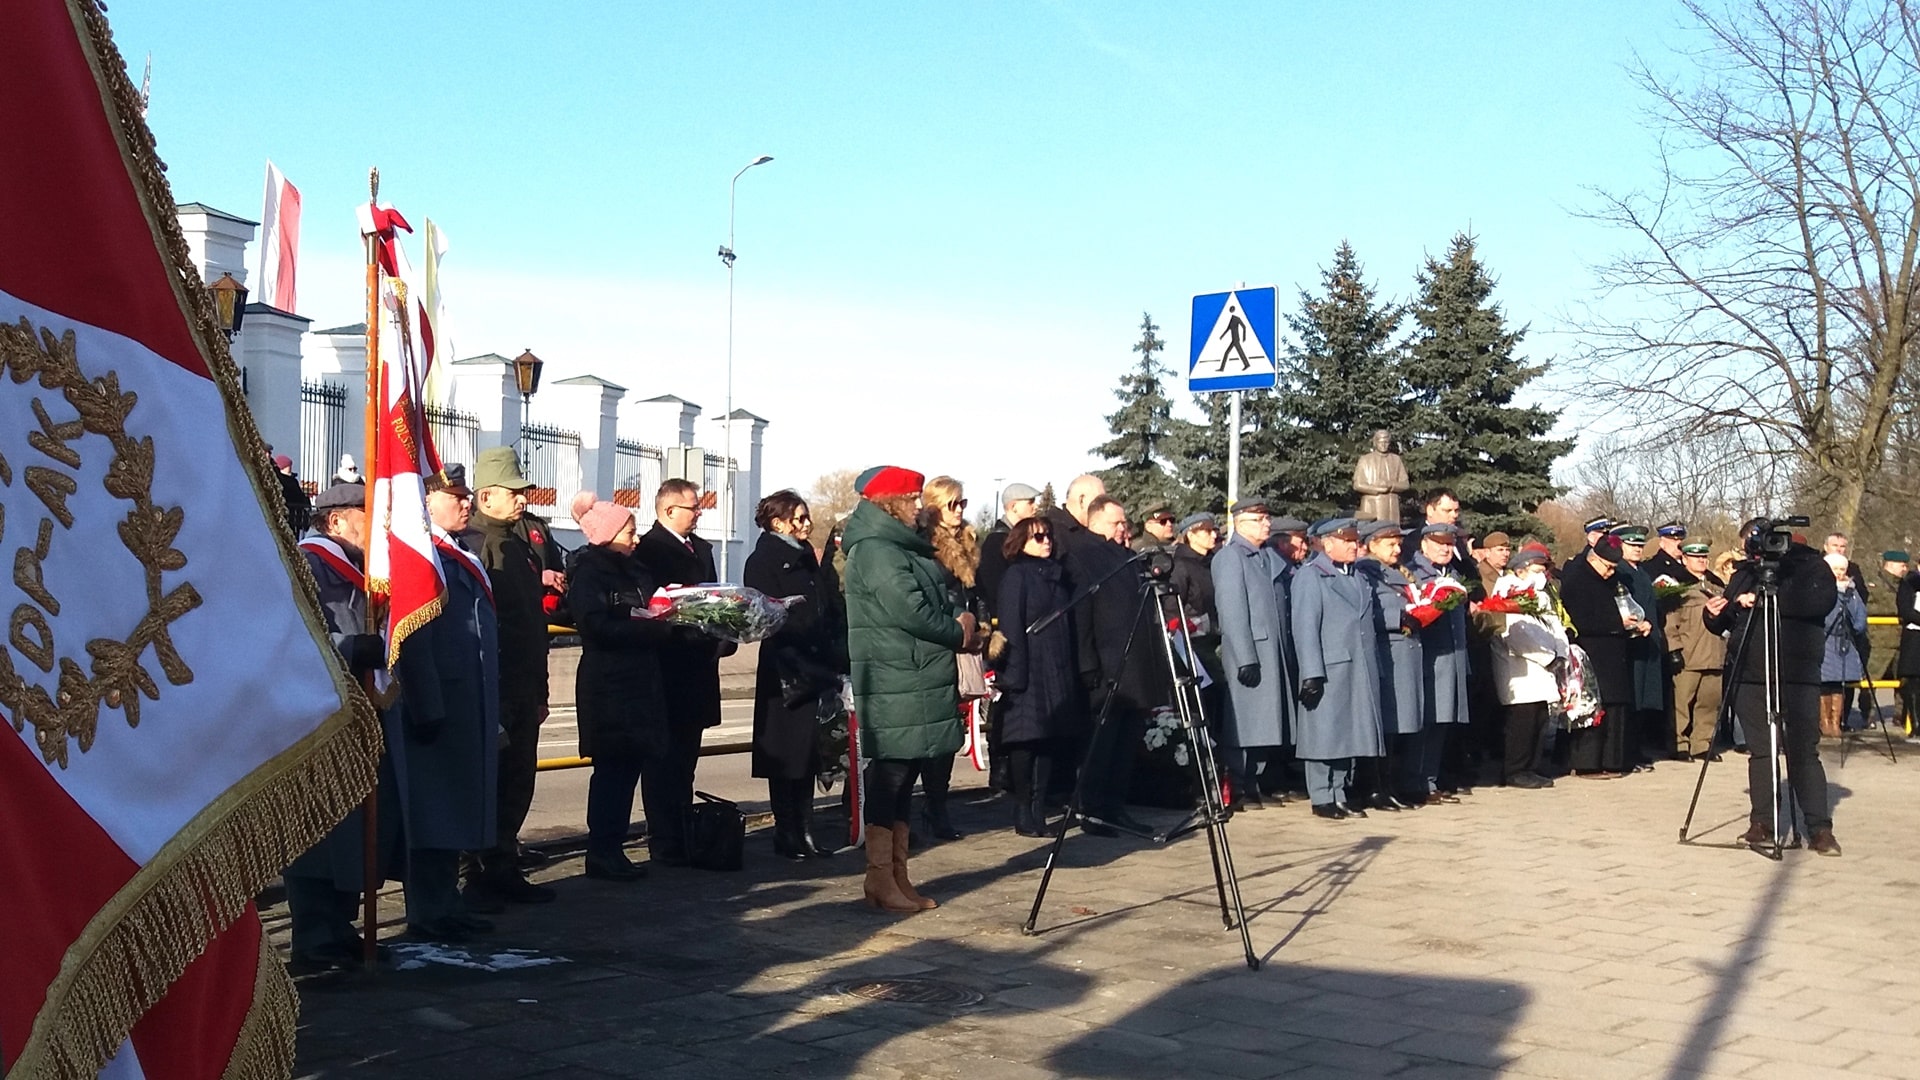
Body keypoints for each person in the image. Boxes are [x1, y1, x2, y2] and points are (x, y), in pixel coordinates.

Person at [844, 465, 976, 911]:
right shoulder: (878, 550)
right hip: (896, 675)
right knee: (892, 775)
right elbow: (911, 611)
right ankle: (881, 878)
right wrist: (958, 631)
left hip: (911, 675)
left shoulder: (897, 545)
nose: (921, 506)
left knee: (904, 777)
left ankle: (896, 876)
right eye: (913, 498)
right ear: (891, 503)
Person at [284, 481, 399, 969]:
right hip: (314, 716)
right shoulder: (306, 564)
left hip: (354, 715)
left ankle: (339, 923)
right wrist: (351, 649)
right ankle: (314, 933)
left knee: (350, 829)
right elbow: (289, 632)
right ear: (336, 520)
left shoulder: (360, 570)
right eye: (367, 516)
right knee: (316, 830)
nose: (379, 529)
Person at [401, 465, 502, 940]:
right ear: (425, 501)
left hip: (469, 696)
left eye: (466, 496)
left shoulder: (460, 550)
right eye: (455, 496)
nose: (466, 503)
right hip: (441, 695)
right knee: (434, 806)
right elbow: (416, 633)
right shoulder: (422, 554)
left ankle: (447, 902)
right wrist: (427, 700)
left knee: (457, 802)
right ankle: (430, 909)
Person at [1705, 521, 1842, 854]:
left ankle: (1819, 828)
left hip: (1795, 674)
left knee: (1802, 751)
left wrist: (1768, 598)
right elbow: (1725, 620)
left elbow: (1817, 604)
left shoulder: (1811, 567)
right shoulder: (1747, 571)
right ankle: (1762, 822)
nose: (1756, 549)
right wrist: (1717, 613)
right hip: (1750, 673)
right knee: (1760, 752)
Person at [460, 447, 556, 906]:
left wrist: (539, 687)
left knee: (518, 778)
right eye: (511, 493)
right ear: (485, 496)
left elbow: (530, 623)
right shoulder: (476, 544)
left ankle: (501, 863)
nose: (521, 500)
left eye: (522, 492)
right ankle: (477, 869)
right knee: (488, 781)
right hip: (495, 684)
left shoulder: (516, 544)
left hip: (521, 682)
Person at [566, 501, 675, 881]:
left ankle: (611, 849)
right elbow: (594, 625)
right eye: (629, 531)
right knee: (612, 769)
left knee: (628, 768)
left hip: (637, 680)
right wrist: (649, 628)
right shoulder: (591, 573)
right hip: (609, 684)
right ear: (607, 536)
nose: (636, 537)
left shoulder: (632, 569)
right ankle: (602, 852)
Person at [632, 477, 730, 867]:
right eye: (693, 506)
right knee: (662, 759)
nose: (699, 512)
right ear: (669, 510)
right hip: (667, 668)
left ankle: (683, 831)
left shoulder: (700, 549)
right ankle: (663, 836)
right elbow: (654, 606)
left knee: (686, 758)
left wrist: (725, 631)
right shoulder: (650, 549)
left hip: (698, 667)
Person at [744, 490, 844, 859]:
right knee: (786, 756)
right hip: (786, 669)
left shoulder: (804, 556)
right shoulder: (765, 558)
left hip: (814, 664)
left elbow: (823, 605)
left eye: (807, 518)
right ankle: (787, 832)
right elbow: (763, 614)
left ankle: (805, 830)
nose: (806, 525)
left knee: (808, 755)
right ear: (778, 522)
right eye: (798, 519)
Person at [1073, 492, 1169, 834]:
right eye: (1116, 523)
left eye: (1124, 523)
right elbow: (1083, 616)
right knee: (1102, 743)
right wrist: (1087, 665)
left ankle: (1115, 806)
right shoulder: (1083, 557)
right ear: (1095, 521)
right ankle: (1094, 810)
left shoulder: (1126, 557)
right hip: (1105, 667)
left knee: (1125, 743)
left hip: (1133, 666)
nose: (1122, 529)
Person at [1290, 518, 1385, 819]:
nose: (1354, 546)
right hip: (1329, 666)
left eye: (1355, 541)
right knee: (1324, 732)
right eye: (1346, 541)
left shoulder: (1357, 577)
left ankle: (1340, 792)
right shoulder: (1311, 576)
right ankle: (1322, 796)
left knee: (1349, 733)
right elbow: (1305, 627)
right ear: (1328, 543)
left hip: (1358, 666)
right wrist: (1311, 672)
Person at [994, 516, 1083, 836]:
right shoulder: (1016, 576)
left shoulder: (1059, 577)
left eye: (1049, 536)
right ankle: (1021, 806)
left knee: (1048, 740)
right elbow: (1011, 626)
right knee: (1024, 739)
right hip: (1028, 664)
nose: (1046, 541)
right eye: (1038, 537)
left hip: (1056, 665)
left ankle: (1039, 805)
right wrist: (1014, 672)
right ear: (1021, 542)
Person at [915, 475, 983, 841]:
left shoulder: (969, 540)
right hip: (940, 638)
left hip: (965, 640)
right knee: (929, 727)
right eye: (952, 504)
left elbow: (975, 592)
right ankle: (922, 807)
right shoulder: (925, 543)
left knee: (950, 729)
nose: (959, 511)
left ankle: (937, 805)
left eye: (963, 503)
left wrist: (984, 628)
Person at [1213, 501, 1293, 810]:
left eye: (1267, 518)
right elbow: (1232, 611)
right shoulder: (1231, 557)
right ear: (1240, 522)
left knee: (1265, 721)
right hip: (1249, 650)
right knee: (1244, 722)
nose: (1267, 524)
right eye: (1259, 519)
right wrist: (1245, 656)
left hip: (1270, 648)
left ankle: (1254, 781)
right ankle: (1240, 782)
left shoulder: (1265, 557)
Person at [1558, 535, 1643, 777]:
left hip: (1615, 652)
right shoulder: (1577, 580)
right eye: (1607, 567)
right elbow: (1581, 618)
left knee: (1616, 706)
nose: (1610, 573)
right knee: (1593, 707)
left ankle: (1614, 759)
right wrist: (1618, 622)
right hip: (1591, 651)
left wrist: (1636, 623)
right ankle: (1587, 762)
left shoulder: (1613, 580)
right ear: (1594, 559)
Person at [1486, 546, 1566, 789]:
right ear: (1521, 571)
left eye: (1544, 570)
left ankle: (1532, 764)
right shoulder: (1510, 591)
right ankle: (1516, 769)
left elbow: (1554, 627)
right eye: (1536, 569)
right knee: (1523, 721)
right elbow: (1517, 633)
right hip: (1522, 666)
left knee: (1540, 718)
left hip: (1542, 666)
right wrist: (1547, 657)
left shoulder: (1539, 594)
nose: (1542, 574)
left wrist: (1561, 652)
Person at [1356, 520, 1421, 809]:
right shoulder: (1367, 573)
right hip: (1386, 654)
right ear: (1371, 545)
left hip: (1405, 655)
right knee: (1383, 724)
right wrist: (1399, 620)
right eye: (1390, 544)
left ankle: (1390, 784)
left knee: (1397, 726)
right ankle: (1373, 787)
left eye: (1398, 543)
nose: (1397, 548)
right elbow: (1365, 613)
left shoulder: (1399, 573)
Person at [1407, 523, 1472, 801]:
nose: (1446, 548)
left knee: (1443, 722)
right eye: (1440, 543)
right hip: (1430, 658)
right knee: (1427, 722)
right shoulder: (1414, 574)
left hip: (1453, 657)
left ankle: (1431, 779)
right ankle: (1416, 781)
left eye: (1450, 544)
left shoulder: (1452, 573)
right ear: (1424, 545)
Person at [1612, 525, 1668, 770]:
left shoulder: (1642, 572)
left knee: (1644, 700)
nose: (1636, 549)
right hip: (1632, 643)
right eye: (1631, 545)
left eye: (1639, 546)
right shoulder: (1621, 572)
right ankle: (1628, 753)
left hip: (1648, 642)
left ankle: (1637, 750)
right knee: (1633, 699)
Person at [1667, 542, 1727, 761]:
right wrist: (1673, 649)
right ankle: (1679, 743)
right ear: (1684, 559)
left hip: (1714, 652)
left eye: (1704, 557)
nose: (1701, 560)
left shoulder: (1716, 586)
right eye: (1695, 557)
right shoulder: (1677, 587)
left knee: (1710, 702)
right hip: (1688, 654)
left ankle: (1702, 743)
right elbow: (1670, 622)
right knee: (1681, 702)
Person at [1818, 550, 1869, 738]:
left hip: (1844, 642)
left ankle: (1836, 721)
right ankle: (1824, 722)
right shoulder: (1820, 589)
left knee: (1840, 684)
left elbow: (1860, 620)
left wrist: (1849, 597)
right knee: (1824, 684)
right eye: (1835, 568)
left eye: (1842, 569)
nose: (1839, 572)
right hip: (1825, 640)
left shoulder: (1852, 591)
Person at [977, 481, 1040, 621]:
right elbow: (995, 590)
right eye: (1030, 502)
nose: (1036, 507)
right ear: (1014, 506)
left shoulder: (1021, 538)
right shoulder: (995, 543)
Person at [1352, 429, 1411, 524]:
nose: (1383, 445)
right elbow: (1357, 485)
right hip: (1372, 506)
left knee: (1392, 535)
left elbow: (1405, 484)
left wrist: (1391, 485)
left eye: (1386, 442)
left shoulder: (1396, 460)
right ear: (1375, 443)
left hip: (1392, 507)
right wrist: (1377, 489)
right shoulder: (1365, 460)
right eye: (1380, 442)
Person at [273, 452, 312, 535]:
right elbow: (297, 495)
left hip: (293, 515)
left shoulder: (289, 480)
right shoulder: (288, 481)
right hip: (291, 514)